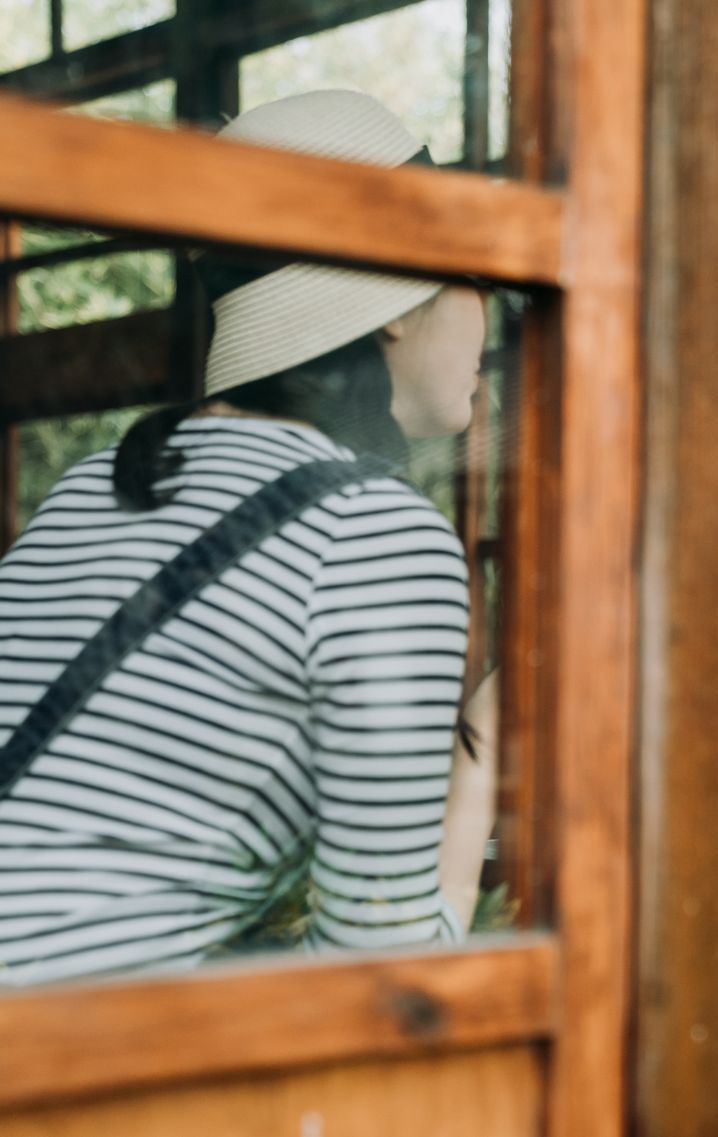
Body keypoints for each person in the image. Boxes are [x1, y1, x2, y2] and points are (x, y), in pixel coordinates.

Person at [0, 90, 498, 987]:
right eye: (474, 267)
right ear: (392, 292)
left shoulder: (94, 484)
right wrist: (489, 749)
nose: (490, 309)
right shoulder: (375, 534)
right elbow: (372, 991)